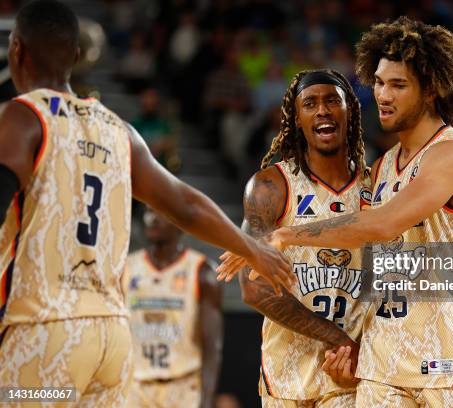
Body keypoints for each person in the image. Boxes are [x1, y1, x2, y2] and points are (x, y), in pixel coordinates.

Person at [219, 17, 453, 407]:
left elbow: (385, 223)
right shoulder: (385, 167)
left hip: (452, 369)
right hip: (385, 369)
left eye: (398, 85)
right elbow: (424, 269)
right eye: (380, 82)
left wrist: (286, 234)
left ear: (432, 89)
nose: (383, 95)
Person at [0, 1, 291, 405]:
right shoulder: (119, 131)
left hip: (43, 329)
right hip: (111, 341)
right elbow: (186, 204)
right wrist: (252, 249)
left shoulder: (21, 116)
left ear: (16, 51)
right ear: (78, 57)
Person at [237, 69, 370, 407]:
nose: (322, 110)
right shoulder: (271, 186)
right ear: (297, 118)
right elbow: (254, 288)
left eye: (332, 101)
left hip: (348, 378)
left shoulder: (377, 186)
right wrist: (336, 337)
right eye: (310, 103)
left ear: (349, 111)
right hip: (285, 375)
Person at [126, 209, 222, 408]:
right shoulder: (126, 268)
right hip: (135, 387)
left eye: (160, 211)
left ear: (180, 222)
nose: (152, 218)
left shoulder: (202, 271)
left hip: (183, 387)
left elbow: (212, 346)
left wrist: (207, 400)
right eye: (148, 211)